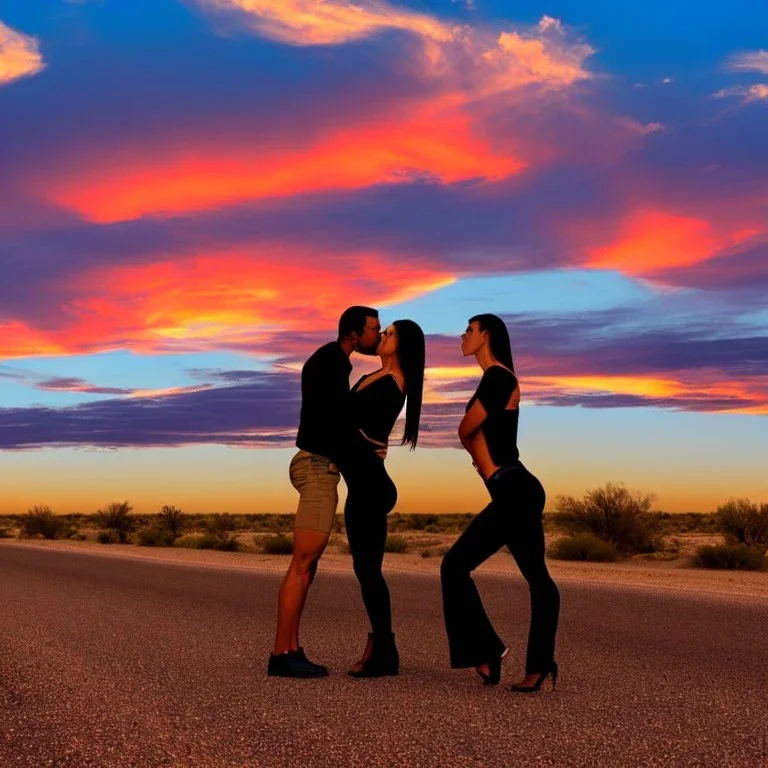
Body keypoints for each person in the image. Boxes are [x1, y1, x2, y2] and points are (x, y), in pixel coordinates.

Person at [440, 314, 560, 692]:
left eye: (469, 330)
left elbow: (465, 429)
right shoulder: (493, 379)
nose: (463, 336)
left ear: (486, 335)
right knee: (539, 580)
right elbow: (471, 436)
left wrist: (475, 451)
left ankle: (488, 652)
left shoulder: (498, 378)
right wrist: (478, 456)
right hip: (511, 487)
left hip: (514, 489)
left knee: (454, 566)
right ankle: (538, 665)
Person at [268, 306, 381, 678]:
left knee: (307, 567)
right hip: (316, 465)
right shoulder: (332, 362)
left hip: (316, 463)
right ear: (354, 333)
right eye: (374, 329)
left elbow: (332, 418)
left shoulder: (332, 361)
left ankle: (290, 648)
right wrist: (364, 448)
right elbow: (335, 420)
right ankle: (282, 654)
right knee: (302, 564)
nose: (378, 336)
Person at [341, 319, 425, 678]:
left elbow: (351, 427)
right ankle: (383, 648)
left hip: (371, 486)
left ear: (401, 346)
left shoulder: (394, 384)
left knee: (369, 571)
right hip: (364, 482)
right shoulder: (371, 376)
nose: (382, 336)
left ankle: (383, 650)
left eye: (389, 334)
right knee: (364, 569)